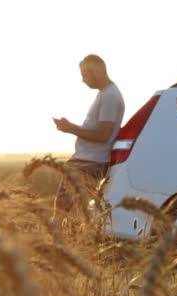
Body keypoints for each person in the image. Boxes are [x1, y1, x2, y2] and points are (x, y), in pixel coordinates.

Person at [52, 54, 125, 222]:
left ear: (96, 71)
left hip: (90, 163)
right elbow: (99, 130)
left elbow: (103, 135)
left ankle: (56, 245)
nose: (82, 80)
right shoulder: (106, 94)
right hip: (87, 160)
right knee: (70, 211)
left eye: (84, 74)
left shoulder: (110, 96)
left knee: (63, 212)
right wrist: (71, 127)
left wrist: (70, 128)